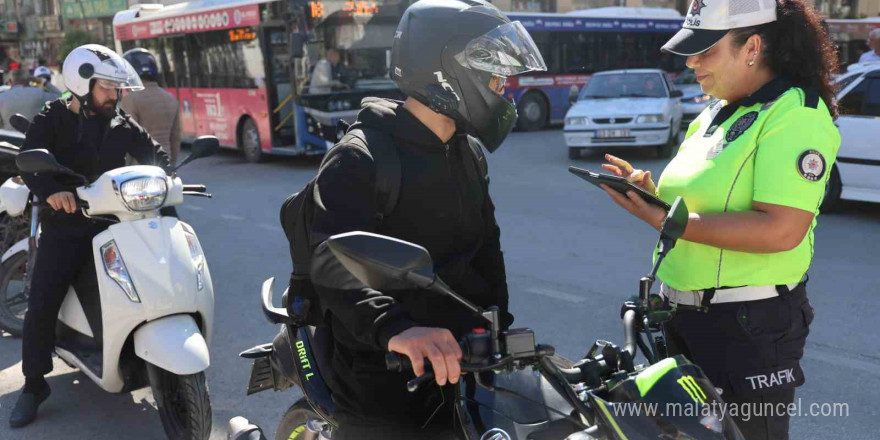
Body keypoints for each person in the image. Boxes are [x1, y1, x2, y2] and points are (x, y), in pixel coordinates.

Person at [306, 0, 546, 438]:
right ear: (444, 69)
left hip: (465, 363)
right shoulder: (360, 159)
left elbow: (486, 249)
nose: (504, 84)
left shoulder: (467, 151)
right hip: (383, 379)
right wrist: (398, 329)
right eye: (493, 71)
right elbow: (331, 264)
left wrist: (499, 328)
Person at [600, 1, 838, 439]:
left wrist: (668, 219)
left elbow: (782, 229)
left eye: (705, 50)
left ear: (751, 46)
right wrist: (649, 193)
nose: (691, 62)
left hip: (748, 327)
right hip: (680, 316)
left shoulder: (796, 113)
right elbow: (696, 203)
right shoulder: (713, 111)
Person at [8, 44, 170, 429]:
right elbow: (28, 159)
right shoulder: (54, 117)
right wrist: (51, 191)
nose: (114, 95)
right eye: (107, 88)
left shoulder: (118, 120)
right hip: (67, 223)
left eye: (117, 88)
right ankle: (33, 385)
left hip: (114, 220)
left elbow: (153, 152)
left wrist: (168, 174)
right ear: (83, 84)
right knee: (44, 296)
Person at [121, 48, 182, 166]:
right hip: (165, 165)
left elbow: (127, 138)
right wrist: (172, 164)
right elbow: (176, 138)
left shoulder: (131, 99)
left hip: (140, 170)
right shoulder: (170, 98)